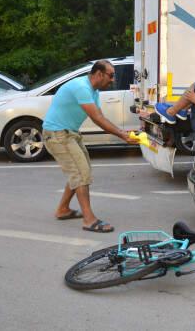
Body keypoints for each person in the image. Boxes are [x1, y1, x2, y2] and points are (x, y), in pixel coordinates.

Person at [43, 60, 135, 233]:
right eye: (111, 75)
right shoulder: (82, 87)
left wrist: (124, 131)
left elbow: (100, 115)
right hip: (58, 134)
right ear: (99, 74)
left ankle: (63, 210)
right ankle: (89, 219)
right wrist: (122, 135)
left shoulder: (93, 91)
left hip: (68, 133)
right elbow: (97, 119)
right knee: (80, 173)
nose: (113, 79)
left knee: (80, 172)